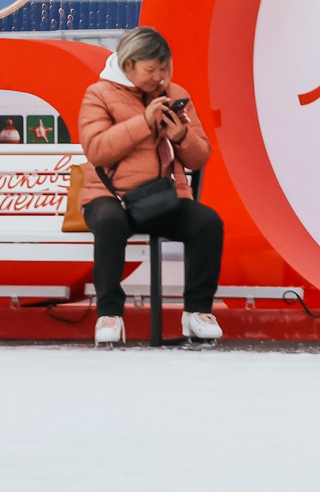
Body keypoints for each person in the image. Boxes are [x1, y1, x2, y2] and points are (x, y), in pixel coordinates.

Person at [75, 25, 223, 347]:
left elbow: (200, 158)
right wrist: (144, 122)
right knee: (111, 223)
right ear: (129, 65)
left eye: (165, 68)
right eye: (152, 69)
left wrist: (181, 136)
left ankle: (197, 311)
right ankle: (110, 314)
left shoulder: (176, 94)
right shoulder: (98, 94)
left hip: (160, 198)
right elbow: (97, 149)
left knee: (207, 223)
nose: (160, 76)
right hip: (109, 197)